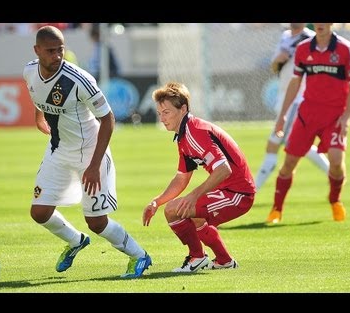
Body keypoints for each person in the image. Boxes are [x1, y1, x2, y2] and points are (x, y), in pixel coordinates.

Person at [22, 25, 151, 278]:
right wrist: (39, 115)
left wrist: (93, 166)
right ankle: (74, 241)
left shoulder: (79, 79)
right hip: (58, 150)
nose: (57, 56)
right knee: (39, 212)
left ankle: (140, 255)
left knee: (97, 222)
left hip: (90, 152)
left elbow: (108, 119)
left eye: (60, 50)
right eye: (50, 51)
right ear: (37, 51)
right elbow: (37, 91)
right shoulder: (29, 71)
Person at [142, 82, 256, 272]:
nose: (162, 118)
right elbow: (181, 178)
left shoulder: (196, 131)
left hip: (238, 194)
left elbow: (224, 170)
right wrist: (156, 201)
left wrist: (193, 195)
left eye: (167, 112)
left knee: (174, 210)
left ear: (183, 109)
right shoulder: (184, 135)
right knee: (190, 215)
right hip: (227, 190)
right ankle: (224, 261)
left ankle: (197, 257)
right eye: (160, 113)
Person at [266, 23, 350, 224]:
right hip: (307, 115)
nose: (320, 24)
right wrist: (283, 115)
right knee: (289, 163)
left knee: (336, 163)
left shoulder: (345, 48)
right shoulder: (303, 48)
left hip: (334, 116)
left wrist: (346, 118)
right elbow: (295, 83)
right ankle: (276, 209)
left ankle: (335, 200)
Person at [255, 23, 329, 191]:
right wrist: (279, 60)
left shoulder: (311, 38)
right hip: (284, 97)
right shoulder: (285, 37)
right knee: (299, 144)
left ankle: (253, 190)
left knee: (273, 144)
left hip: (299, 99)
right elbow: (275, 67)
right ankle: (334, 173)